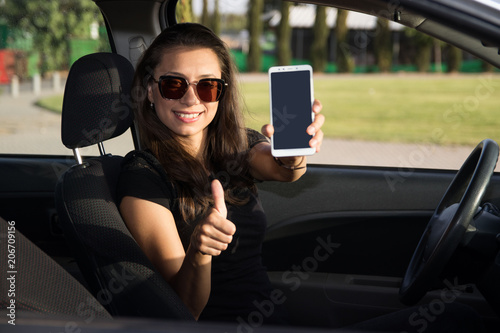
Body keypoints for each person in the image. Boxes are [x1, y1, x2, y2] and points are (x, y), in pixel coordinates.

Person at [117, 22, 324, 324]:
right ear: (150, 91)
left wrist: (293, 156)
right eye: (173, 84)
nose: (191, 99)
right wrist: (199, 251)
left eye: (207, 86)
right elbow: (183, 309)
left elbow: (282, 170)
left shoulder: (238, 146)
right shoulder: (142, 177)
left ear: (221, 93)